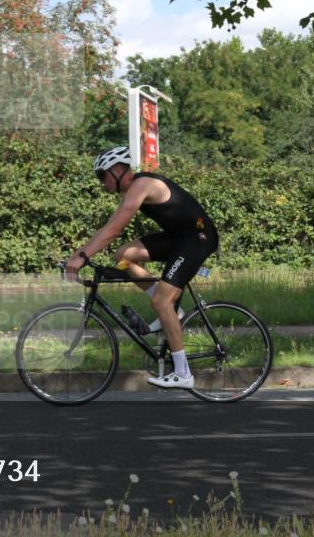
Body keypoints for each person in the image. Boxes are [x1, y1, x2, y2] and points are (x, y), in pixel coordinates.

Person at [65, 146, 219, 389]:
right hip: (178, 238)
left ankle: (183, 373)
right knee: (124, 255)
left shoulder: (141, 185)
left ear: (116, 170)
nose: (102, 183)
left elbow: (113, 230)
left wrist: (82, 256)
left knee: (161, 301)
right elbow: (109, 228)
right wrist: (77, 255)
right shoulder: (132, 190)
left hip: (197, 239)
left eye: (102, 176)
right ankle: (173, 315)